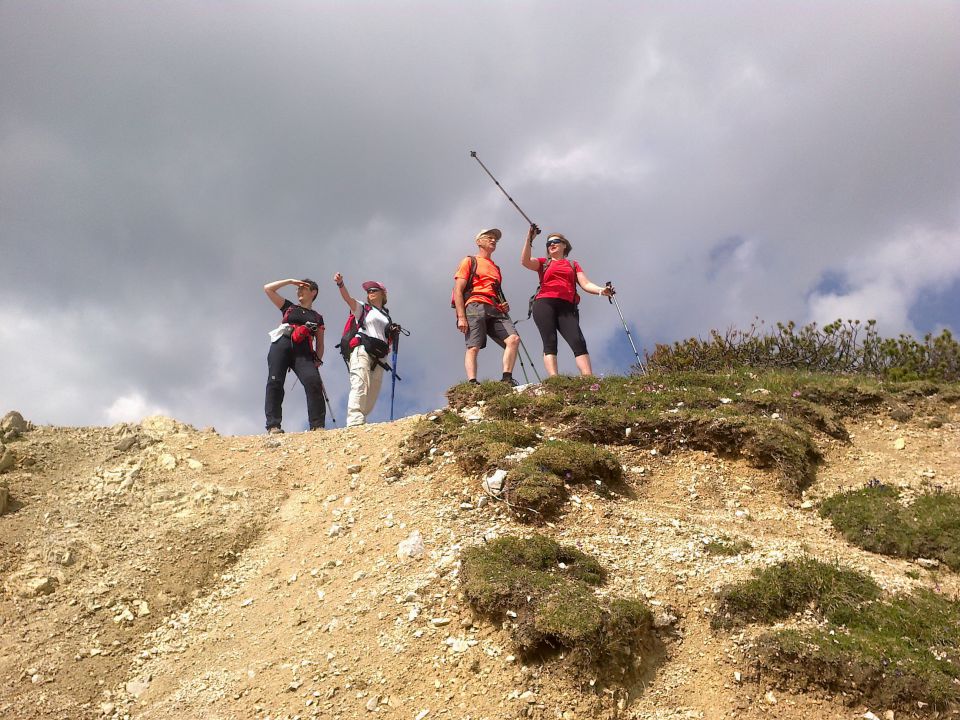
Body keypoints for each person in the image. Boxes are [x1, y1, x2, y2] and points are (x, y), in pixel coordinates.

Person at [520, 225, 614, 376]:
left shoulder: (573, 264)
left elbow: (586, 284)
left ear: (564, 245)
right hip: (545, 302)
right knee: (550, 341)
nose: (551, 244)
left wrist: (602, 291)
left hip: (567, 306)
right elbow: (525, 261)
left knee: (578, 340)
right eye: (548, 243)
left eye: (556, 241)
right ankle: (554, 378)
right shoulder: (544, 262)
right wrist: (529, 238)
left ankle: (588, 377)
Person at [453, 228, 521, 385]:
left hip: (495, 307)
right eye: (489, 237)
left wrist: (502, 304)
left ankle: (506, 378)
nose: (493, 240)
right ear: (478, 242)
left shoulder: (496, 268)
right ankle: (472, 382)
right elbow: (458, 289)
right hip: (475, 305)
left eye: (495, 239)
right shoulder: (469, 261)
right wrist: (461, 317)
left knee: (513, 339)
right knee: (473, 346)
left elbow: (495, 290)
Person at [263, 278, 325, 433]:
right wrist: (290, 281)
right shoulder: (289, 307)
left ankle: (317, 426)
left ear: (314, 292)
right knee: (275, 381)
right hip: (282, 343)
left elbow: (320, 342)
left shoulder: (317, 317)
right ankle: (273, 425)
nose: (299, 290)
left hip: (303, 349)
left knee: (314, 382)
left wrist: (317, 360)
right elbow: (268, 288)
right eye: (298, 288)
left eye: (304, 287)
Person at [333, 273, 392, 426]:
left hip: (380, 356)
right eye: (368, 291)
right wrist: (341, 284)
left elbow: (387, 338)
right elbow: (348, 299)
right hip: (362, 348)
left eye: (373, 290)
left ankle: (361, 420)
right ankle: (354, 420)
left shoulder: (387, 316)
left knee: (373, 391)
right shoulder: (363, 308)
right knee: (359, 382)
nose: (370, 293)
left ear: (383, 294)